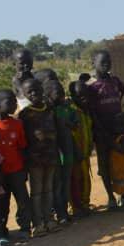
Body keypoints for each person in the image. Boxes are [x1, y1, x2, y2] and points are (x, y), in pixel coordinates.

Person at [0, 90, 31, 238]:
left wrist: (24, 169)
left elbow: (22, 147)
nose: (14, 105)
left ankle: (25, 227)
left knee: (23, 200)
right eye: (10, 102)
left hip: (16, 169)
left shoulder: (17, 124)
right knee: (1, 203)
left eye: (15, 102)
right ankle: (1, 230)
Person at [19, 78, 59, 236]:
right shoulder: (25, 114)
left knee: (48, 190)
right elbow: (23, 140)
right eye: (29, 92)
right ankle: (38, 223)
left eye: (36, 90)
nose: (34, 93)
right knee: (36, 192)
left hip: (51, 156)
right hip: (35, 160)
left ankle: (49, 219)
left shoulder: (50, 109)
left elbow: (56, 131)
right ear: (24, 95)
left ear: (42, 90)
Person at [87, 50, 124, 211]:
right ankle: (110, 197)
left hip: (117, 129)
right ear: (93, 63)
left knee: (119, 163)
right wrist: (102, 131)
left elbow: (123, 91)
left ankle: (122, 193)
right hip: (101, 132)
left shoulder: (115, 81)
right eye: (102, 62)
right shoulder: (91, 87)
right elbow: (92, 112)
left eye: (108, 62)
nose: (106, 65)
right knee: (104, 166)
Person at [46, 78, 76, 227]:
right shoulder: (46, 112)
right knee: (56, 185)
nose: (62, 95)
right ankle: (60, 213)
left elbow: (75, 124)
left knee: (66, 183)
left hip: (67, 150)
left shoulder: (66, 109)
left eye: (62, 92)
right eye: (58, 93)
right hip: (54, 153)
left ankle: (64, 211)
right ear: (48, 94)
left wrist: (68, 123)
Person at [67, 80, 93, 217]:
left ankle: (85, 204)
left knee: (86, 179)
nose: (84, 98)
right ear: (72, 96)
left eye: (86, 95)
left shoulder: (86, 111)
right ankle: (76, 207)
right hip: (76, 154)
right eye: (80, 95)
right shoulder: (71, 112)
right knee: (76, 181)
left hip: (85, 153)